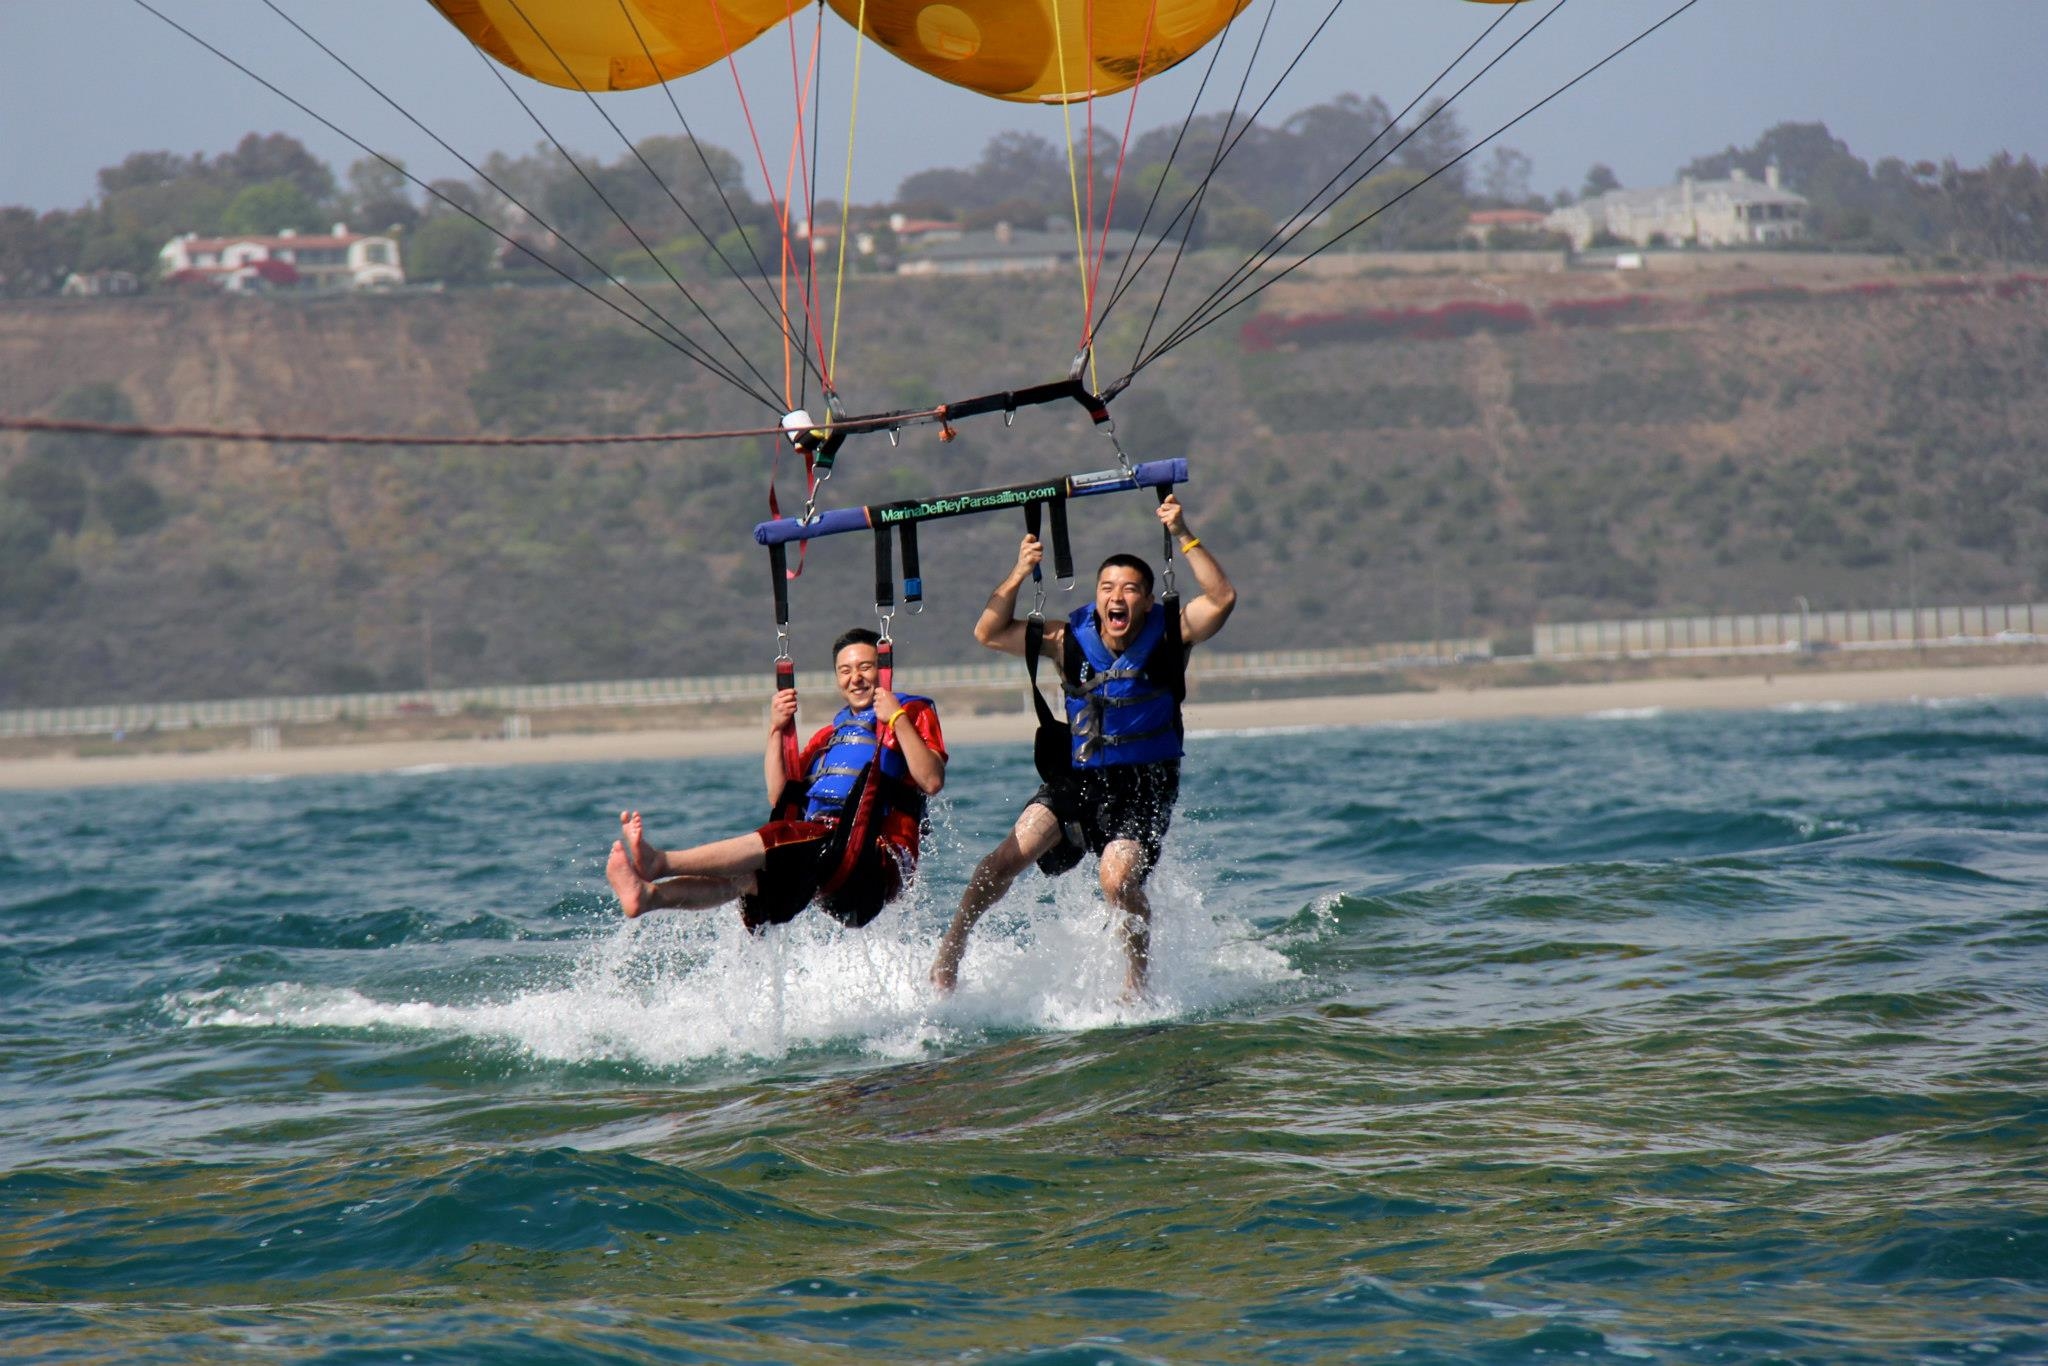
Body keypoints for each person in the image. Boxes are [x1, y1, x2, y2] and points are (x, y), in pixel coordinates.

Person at [930, 493, 1235, 996]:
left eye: (1131, 589)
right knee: (1003, 860)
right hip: (1080, 777)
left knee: (1117, 882)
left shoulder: (1170, 633)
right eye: (1107, 588)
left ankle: (1136, 986)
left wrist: (1183, 532)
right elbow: (988, 631)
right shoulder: (1065, 638)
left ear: (1146, 599)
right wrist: (1019, 570)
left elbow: (1222, 598)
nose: (1118, 597)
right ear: (1097, 598)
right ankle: (950, 955)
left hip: (1145, 785)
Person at [606, 627, 946, 930]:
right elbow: (780, 797)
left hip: (874, 862)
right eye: (845, 671)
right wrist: (776, 729)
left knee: (784, 840)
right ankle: (649, 898)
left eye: (865, 667)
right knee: (747, 880)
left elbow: (931, 780)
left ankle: (661, 862)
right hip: (827, 867)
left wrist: (897, 718)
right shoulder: (828, 738)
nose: (855, 678)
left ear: (883, 671)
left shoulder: (911, 712)